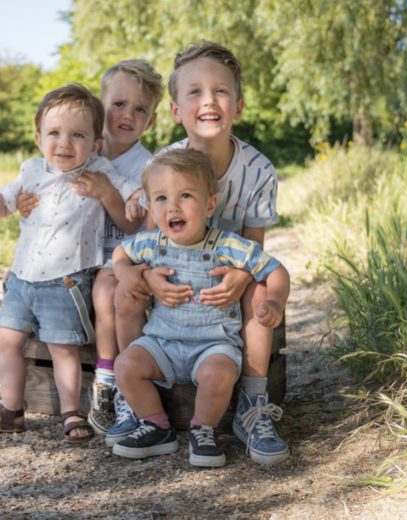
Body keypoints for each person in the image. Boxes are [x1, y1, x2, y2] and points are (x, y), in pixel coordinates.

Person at [111, 41, 290, 465]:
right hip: (172, 270)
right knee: (121, 289)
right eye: (195, 92)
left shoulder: (258, 170)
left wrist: (243, 277)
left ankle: (252, 404)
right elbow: (148, 242)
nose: (208, 101)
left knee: (259, 293)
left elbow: (256, 246)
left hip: (227, 267)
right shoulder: (164, 163)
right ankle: (132, 399)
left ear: (238, 107)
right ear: (176, 110)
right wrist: (145, 277)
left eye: (220, 91)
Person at [0, 83, 138, 442]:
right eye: (54, 133)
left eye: (77, 135)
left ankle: (70, 411)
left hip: (66, 280)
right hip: (22, 279)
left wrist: (135, 195)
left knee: (63, 348)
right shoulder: (31, 170)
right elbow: (4, 207)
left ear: (95, 144)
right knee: (6, 339)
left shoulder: (98, 170)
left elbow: (129, 194)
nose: (64, 143)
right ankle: (11, 408)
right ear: (38, 138)